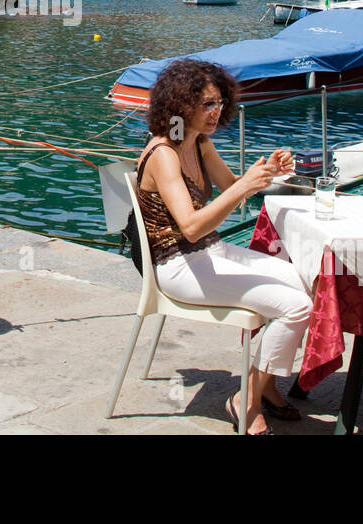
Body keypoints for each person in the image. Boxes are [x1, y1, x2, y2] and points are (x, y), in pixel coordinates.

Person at [132, 58, 313, 435]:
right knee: (297, 308)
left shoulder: (199, 142)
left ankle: (265, 386)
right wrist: (245, 186)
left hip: (209, 252)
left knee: (308, 281)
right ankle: (247, 399)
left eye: (219, 103)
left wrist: (266, 175)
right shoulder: (164, 154)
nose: (215, 112)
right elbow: (192, 227)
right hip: (177, 266)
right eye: (206, 105)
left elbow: (232, 188)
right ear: (180, 106)